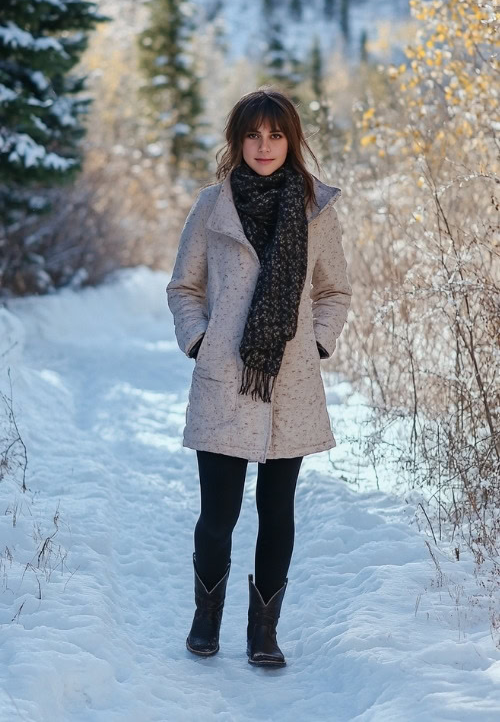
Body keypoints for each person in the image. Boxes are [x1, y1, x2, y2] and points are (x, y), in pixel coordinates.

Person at [166, 87, 352, 668]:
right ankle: (206, 617)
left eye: (275, 135)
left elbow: (335, 289)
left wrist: (316, 343)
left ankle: (264, 629)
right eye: (253, 134)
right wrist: (200, 340)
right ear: (236, 140)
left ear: (291, 140)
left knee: (278, 511)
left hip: (290, 385)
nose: (264, 146)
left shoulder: (314, 209)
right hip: (225, 379)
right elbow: (183, 288)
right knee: (217, 513)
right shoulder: (211, 206)